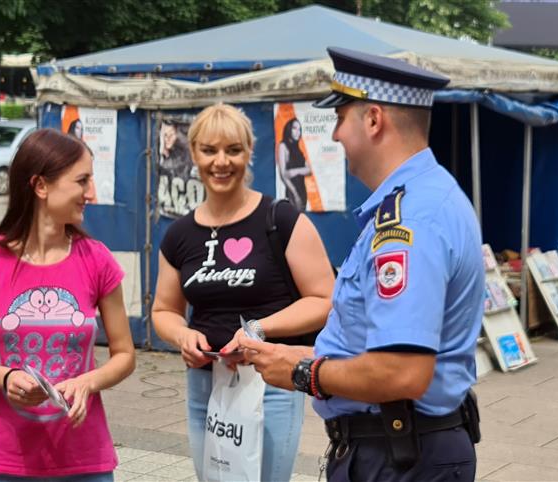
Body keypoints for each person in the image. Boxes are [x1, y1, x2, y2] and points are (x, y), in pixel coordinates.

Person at [239, 47, 484, 481]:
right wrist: (300, 354)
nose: (334, 135)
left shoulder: (409, 221)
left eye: (339, 118)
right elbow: (380, 346)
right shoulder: (421, 199)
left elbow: (401, 371)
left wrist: (303, 373)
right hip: (400, 448)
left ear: (373, 120)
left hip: (399, 456)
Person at [151, 104, 335, 481]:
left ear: (250, 152)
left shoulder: (281, 219)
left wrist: (258, 329)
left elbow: (325, 299)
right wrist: (182, 334)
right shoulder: (179, 234)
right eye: (210, 150)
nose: (221, 162)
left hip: (271, 381)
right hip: (206, 385)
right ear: (193, 152)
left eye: (233, 150)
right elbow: (163, 310)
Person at [0, 128, 135, 482]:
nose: (91, 194)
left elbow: (125, 354)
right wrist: (5, 377)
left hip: (84, 459)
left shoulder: (97, 260)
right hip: (4, 459)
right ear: (41, 186)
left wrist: (88, 383)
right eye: (82, 181)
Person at [277, 118, 312, 211]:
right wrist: (295, 194)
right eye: (295, 128)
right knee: (293, 221)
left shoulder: (298, 149)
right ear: (289, 129)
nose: (298, 132)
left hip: (302, 190)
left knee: (301, 219)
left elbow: (309, 170)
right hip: (292, 191)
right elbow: (283, 175)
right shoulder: (283, 146)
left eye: (299, 129)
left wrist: (295, 171)